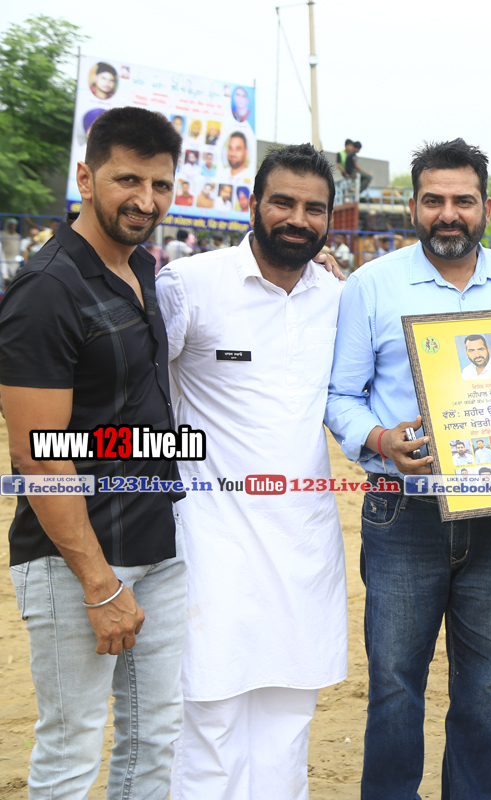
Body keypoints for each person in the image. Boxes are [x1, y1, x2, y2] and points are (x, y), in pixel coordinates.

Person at [324, 138, 491, 800]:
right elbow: (340, 396)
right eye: (434, 200)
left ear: (486, 208)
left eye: (463, 201)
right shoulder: (371, 284)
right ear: (413, 206)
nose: (449, 214)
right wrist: (380, 438)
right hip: (404, 511)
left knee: (487, 686)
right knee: (394, 684)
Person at [0, 106, 187, 798]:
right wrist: (99, 583)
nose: (146, 200)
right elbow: (39, 458)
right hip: (75, 560)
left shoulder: (141, 268)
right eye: (127, 180)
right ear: (85, 178)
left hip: (158, 547)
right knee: (72, 748)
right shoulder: (47, 290)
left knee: (155, 740)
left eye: (160, 184)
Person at [158, 143, 346, 799]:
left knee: (289, 718)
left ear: (330, 218)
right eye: (283, 202)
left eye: (313, 208)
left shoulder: (339, 299)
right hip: (211, 539)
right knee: (208, 716)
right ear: (253, 204)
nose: (297, 218)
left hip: (304, 542)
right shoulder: (189, 284)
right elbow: (138, 395)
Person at [1, 219, 20, 288]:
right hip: (5, 260)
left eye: (14, 225)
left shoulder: (17, 236)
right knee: (5, 278)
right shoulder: (2, 234)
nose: (13, 227)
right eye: (11, 225)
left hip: (15, 260)